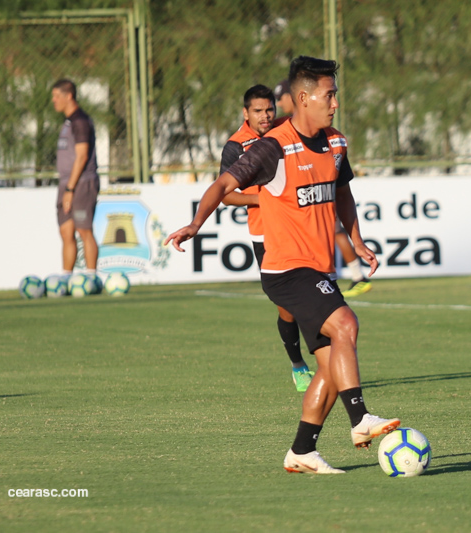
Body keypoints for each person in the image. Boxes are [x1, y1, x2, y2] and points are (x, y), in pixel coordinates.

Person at [166, 56, 399, 474]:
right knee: (346, 325)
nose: (335, 103)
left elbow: (341, 190)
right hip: (286, 270)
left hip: (319, 268)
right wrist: (196, 223)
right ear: (303, 98)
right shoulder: (274, 146)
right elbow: (223, 184)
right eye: (329, 95)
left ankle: (302, 451)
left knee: (330, 365)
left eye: (335, 94)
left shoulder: (336, 142)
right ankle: (361, 419)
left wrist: (357, 240)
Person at [219, 84, 315, 392]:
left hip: (301, 228)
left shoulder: (286, 132)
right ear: (245, 113)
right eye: (258, 111)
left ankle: (329, 366)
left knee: (317, 298)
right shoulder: (236, 146)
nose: (265, 116)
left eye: (269, 109)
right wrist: (265, 199)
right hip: (265, 234)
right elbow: (227, 195)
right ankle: (298, 364)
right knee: (286, 308)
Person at [275, 79, 372, 298]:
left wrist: (358, 241)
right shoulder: (281, 133)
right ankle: (356, 275)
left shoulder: (330, 137)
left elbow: (344, 191)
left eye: (281, 99)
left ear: (296, 98)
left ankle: (358, 276)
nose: (279, 105)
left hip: (319, 201)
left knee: (336, 230)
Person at [51, 79, 100, 275]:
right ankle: (66, 277)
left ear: (68, 96)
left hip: (82, 183)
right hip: (66, 183)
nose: (54, 101)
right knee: (66, 231)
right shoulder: (68, 122)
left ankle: (91, 276)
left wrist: (71, 189)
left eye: (56, 96)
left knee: (83, 230)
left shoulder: (80, 121)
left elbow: (82, 156)